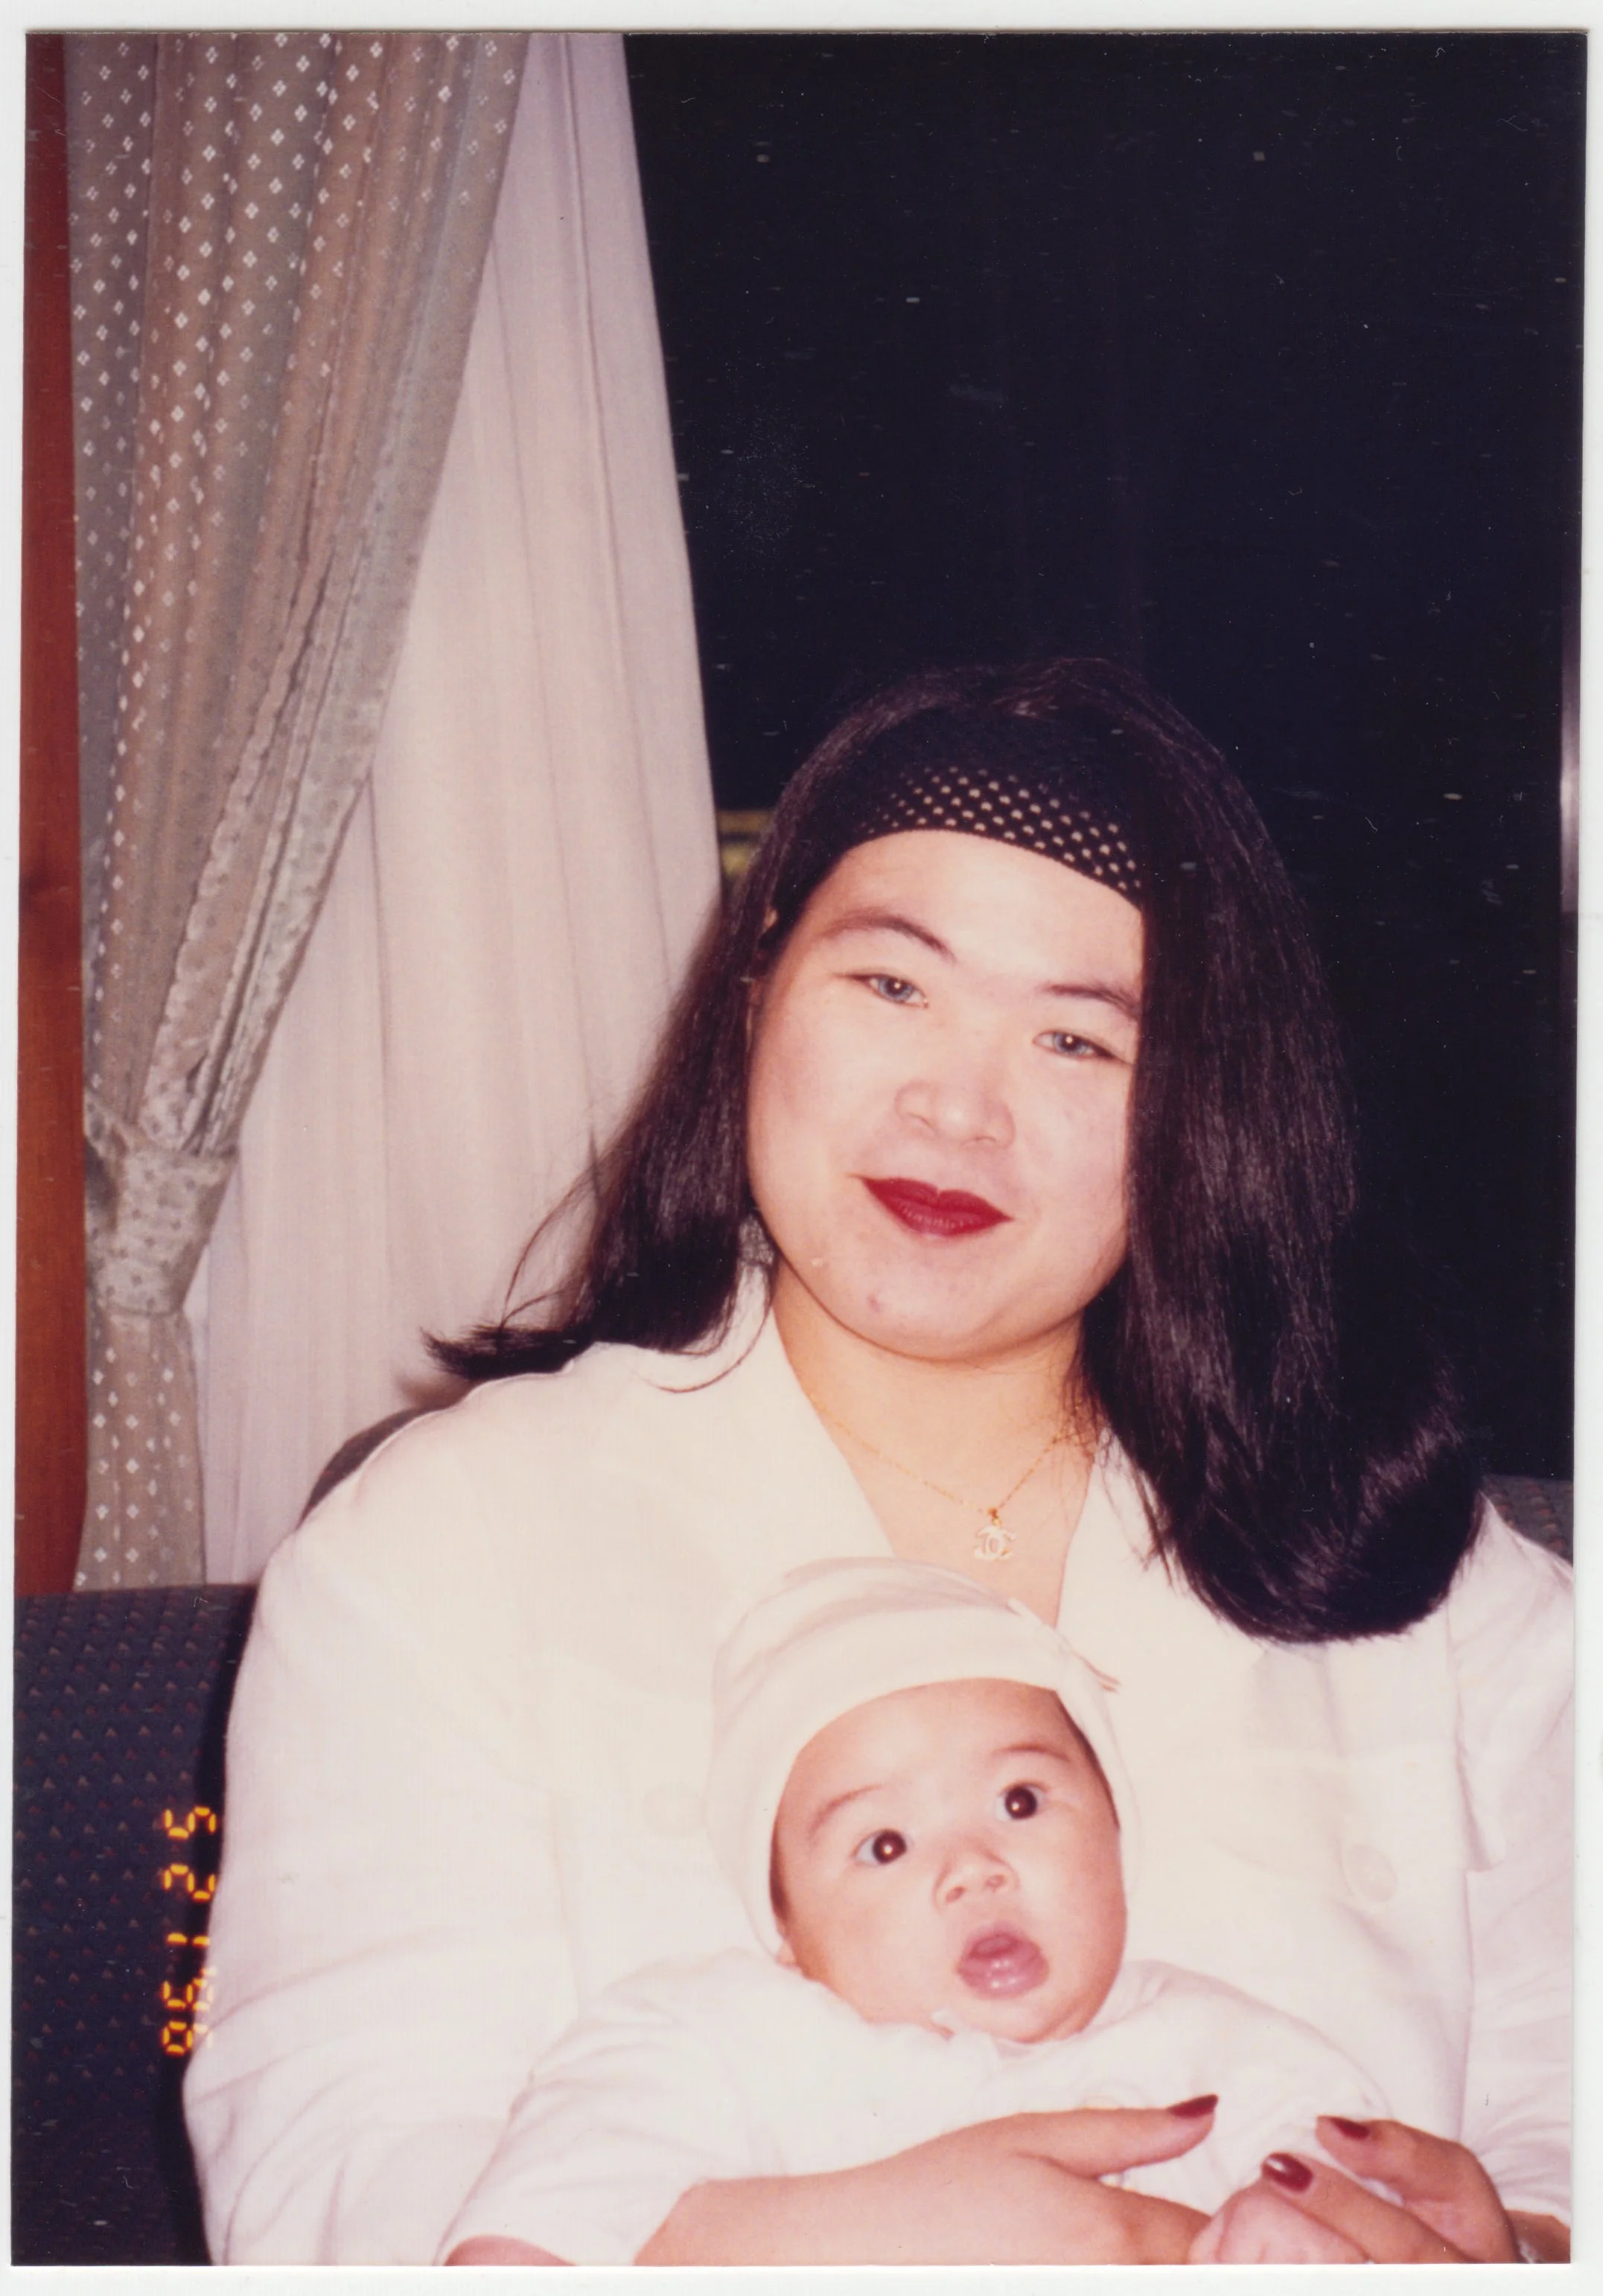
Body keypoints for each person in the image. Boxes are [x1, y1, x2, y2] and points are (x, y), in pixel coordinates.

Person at [185, 658, 1571, 2265]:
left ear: (1191, 1110)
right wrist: (802, 2245)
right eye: (892, 986)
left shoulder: (1399, 1555)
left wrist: (1524, 2234)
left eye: (1076, 1040)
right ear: (757, 983)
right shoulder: (439, 1542)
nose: (957, 1104)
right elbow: (333, 2171)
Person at [440, 1556, 1396, 2265]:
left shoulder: (1220, 2052)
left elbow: (1390, 2223)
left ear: (1115, 1829)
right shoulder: (714, 2038)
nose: (973, 1868)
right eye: (883, 1845)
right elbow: (535, 2228)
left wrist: (1309, 2240)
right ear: (787, 1928)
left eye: (1019, 1800)